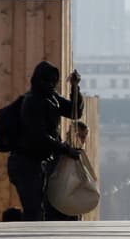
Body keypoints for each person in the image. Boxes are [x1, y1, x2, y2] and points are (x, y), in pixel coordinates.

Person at [7, 62, 83, 221]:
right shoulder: (32, 101)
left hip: (39, 161)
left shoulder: (51, 98)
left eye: (53, 81)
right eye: (48, 81)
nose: (51, 85)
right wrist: (65, 149)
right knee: (34, 209)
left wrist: (75, 88)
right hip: (25, 162)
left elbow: (73, 111)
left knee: (39, 208)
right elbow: (39, 135)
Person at [46, 120, 91, 221]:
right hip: (56, 201)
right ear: (69, 134)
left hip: (72, 203)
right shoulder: (59, 151)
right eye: (79, 136)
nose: (81, 140)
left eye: (84, 137)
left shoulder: (80, 155)